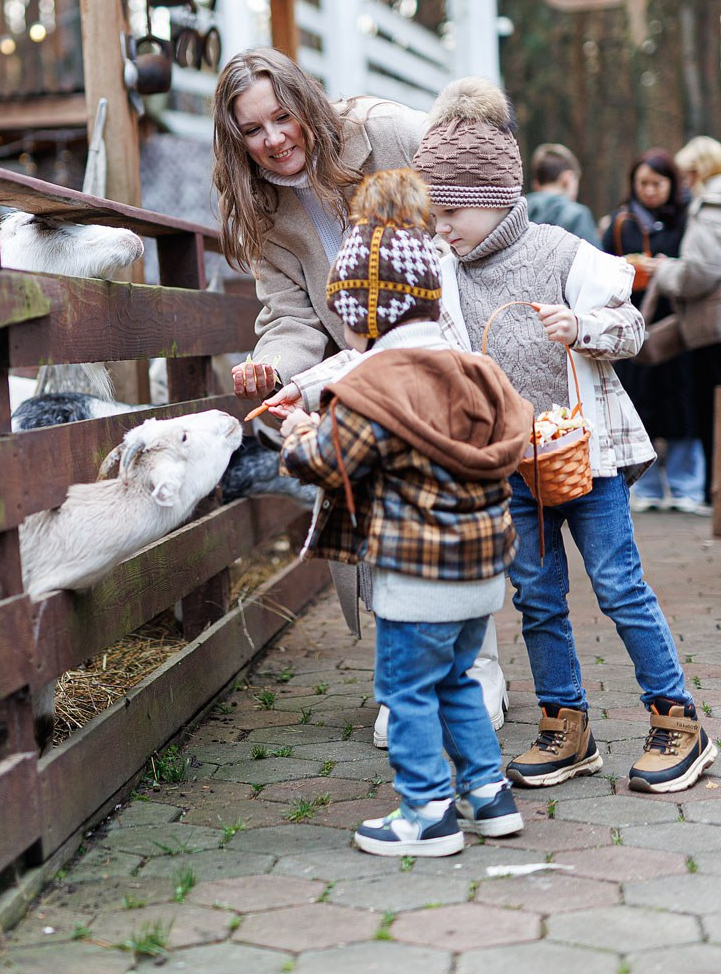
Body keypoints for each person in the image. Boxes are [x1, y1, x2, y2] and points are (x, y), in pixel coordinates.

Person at [412, 76, 717, 795]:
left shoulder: (559, 252)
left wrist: (581, 327)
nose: (441, 227)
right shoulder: (445, 274)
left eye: (451, 211)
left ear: (492, 196)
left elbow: (631, 327)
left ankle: (678, 721)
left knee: (618, 585)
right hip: (513, 467)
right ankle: (565, 724)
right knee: (536, 597)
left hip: (588, 460)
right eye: (434, 213)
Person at [211, 47, 510, 738]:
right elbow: (289, 318)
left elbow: (477, 180)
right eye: (252, 130)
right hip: (366, 376)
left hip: (451, 349)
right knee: (382, 515)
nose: (273, 139)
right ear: (234, 140)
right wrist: (271, 368)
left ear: (305, 103)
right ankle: (413, 681)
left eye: (282, 117)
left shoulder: (386, 131)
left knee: (455, 510)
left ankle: (477, 670)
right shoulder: (261, 207)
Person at [278, 168, 530, 855]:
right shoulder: (474, 372)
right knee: (456, 682)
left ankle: (426, 812)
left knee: (406, 690)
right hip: (480, 572)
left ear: (366, 312)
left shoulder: (375, 385)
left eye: (346, 313)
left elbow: (328, 462)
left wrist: (298, 433)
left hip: (417, 579)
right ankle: (488, 796)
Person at [602, 149, 707, 515]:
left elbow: (696, 266)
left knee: (683, 405)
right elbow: (602, 265)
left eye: (656, 183)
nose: (648, 190)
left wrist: (668, 268)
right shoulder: (621, 222)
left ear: (671, 184)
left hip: (676, 324)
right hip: (634, 323)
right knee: (639, 404)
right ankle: (643, 487)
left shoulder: (688, 218)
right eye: (642, 183)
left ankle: (685, 487)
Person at [650, 134, 721, 510]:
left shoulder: (709, 206)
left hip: (712, 328)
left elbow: (701, 271)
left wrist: (664, 273)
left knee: (712, 412)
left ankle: (713, 493)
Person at [526, 143, 599, 245]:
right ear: (567, 178)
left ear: (536, 183)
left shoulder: (517, 210)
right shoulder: (577, 215)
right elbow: (592, 254)